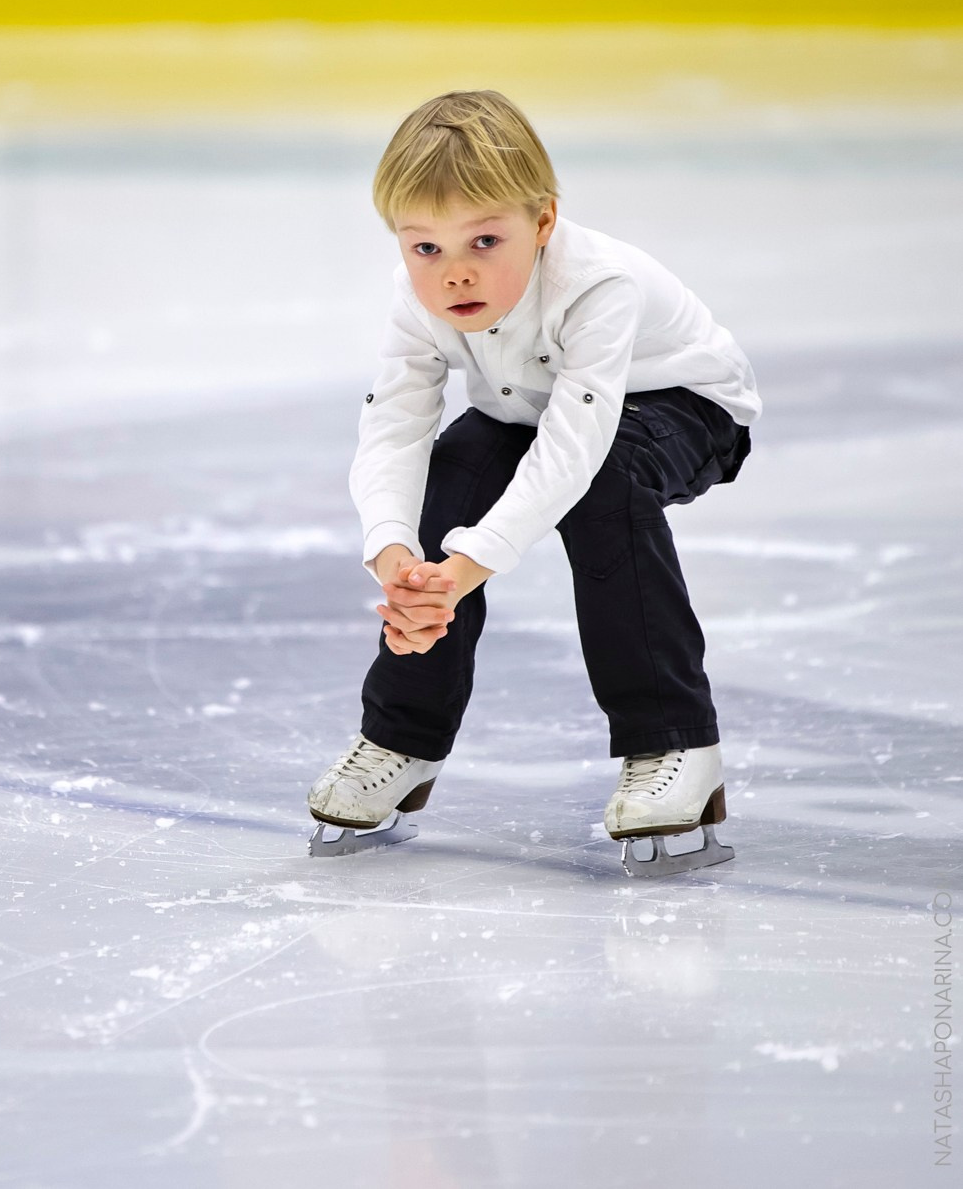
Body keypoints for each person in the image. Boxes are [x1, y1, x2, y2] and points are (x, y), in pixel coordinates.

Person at [307, 88, 761, 859]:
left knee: (606, 485)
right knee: (450, 477)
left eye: (484, 241)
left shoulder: (597, 284)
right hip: (532, 409)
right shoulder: (416, 296)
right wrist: (397, 558)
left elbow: (577, 445)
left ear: (543, 221)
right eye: (426, 248)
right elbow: (395, 423)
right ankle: (401, 738)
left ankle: (675, 740)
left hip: (684, 407)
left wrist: (464, 571)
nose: (454, 275)